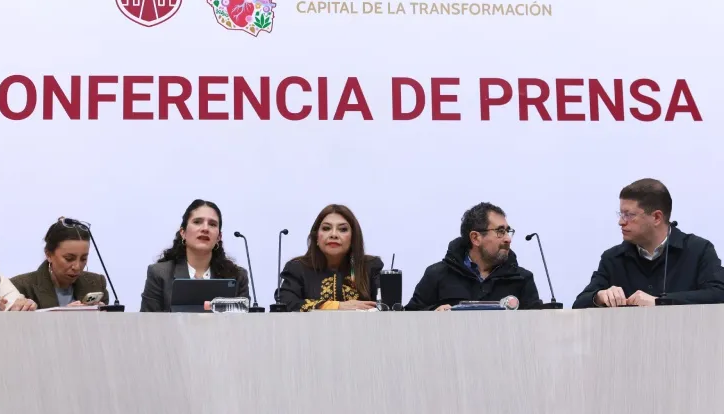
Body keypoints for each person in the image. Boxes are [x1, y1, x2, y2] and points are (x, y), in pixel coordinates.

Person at [573, 178, 724, 308]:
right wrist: (598, 296)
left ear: (657, 217)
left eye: (629, 215)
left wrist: (660, 302)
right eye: (621, 214)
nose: (621, 222)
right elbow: (579, 303)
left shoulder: (698, 250)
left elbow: (719, 294)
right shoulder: (613, 258)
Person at [406, 202, 542, 311]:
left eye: (507, 231)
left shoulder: (522, 279)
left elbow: (537, 325)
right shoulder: (437, 275)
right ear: (475, 238)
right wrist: (433, 313)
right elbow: (410, 317)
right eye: (500, 231)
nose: (508, 239)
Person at [140, 199, 249, 312]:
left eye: (212, 224)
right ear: (183, 233)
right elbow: (147, 321)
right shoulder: (160, 274)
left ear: (219, 237)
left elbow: (244, 322)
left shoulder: (237, 276)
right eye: (197, 222)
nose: (205, 228)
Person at [277, 204, 384, 311]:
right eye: (326, 228)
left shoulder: (370, 267)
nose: (333, 235)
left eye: (342, 229)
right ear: (316, 237)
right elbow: (285, 303)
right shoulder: (298, 269)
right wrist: (336, 306)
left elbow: (387, 305)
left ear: (353, 238)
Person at [11, 217, 109, 309]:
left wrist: (102, 315)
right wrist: (64, 314)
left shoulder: (96, 284)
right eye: (69, 258)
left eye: (83, 259)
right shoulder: (21, 287)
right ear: (49, 255)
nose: (77, 267)